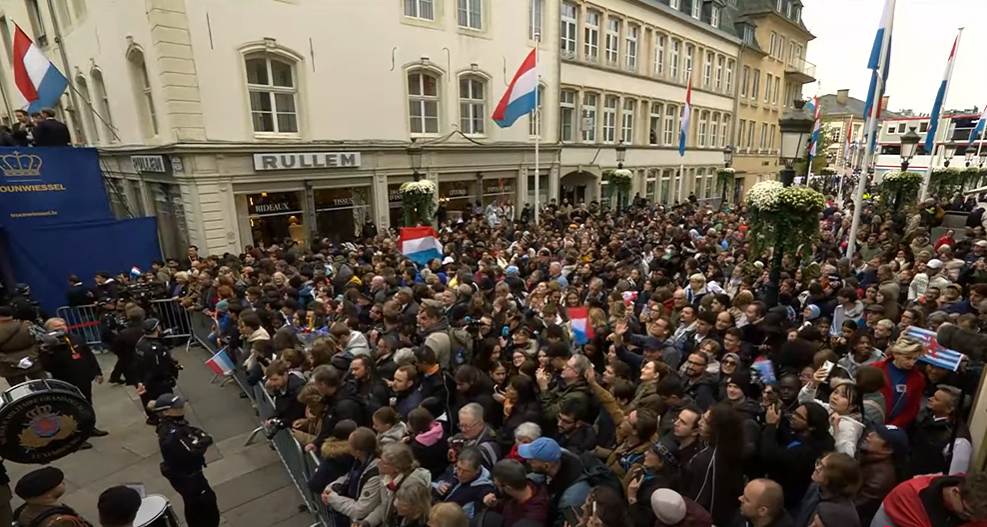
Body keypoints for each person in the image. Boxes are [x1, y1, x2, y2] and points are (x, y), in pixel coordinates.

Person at [149, 394, 220, 527]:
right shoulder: (171, 434)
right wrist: (204, 441)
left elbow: (192, 432)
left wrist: (200, 437)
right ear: (166, 412)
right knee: (204, 508)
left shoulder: (175, 424)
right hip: (188, 478)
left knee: (197, 505)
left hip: (187, 475)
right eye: (177, 407)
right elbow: (191, 452)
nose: (182, 408)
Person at [39, 318, 108, 447]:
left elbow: (89, 356)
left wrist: (97, 371)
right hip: (66, 382)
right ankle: (75, 437)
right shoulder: (48, 346)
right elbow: (47, 366)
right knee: (70, 410)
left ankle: (90, 428)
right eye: (56, 327)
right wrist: (51, 350)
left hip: (84, 379)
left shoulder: (76, 339)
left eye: (63, 325)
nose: (61, 328)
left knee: (87, 404)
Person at [871, 471, 987, 527]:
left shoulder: (978, 512)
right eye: (968, 512)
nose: (974, 520)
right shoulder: (909, 495)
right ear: (955, 493)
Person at [134, 318, 180, 425]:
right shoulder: (154, 348)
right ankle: (167, 419)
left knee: (150, 399)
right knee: (165, 400)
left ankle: (154, 417)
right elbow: (158, 367)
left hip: (145, 377)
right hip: (158, 381)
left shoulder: (141, 342)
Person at [12, 467, 91, 527]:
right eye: (58, 483)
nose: (63, 483)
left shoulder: (22, 512)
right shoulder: (59, 522)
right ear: (48, 495)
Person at [482, 459, 550, 526]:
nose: (496, 487)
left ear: (508, 488)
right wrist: (495, 505)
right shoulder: (516, 494)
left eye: (497, 485)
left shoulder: (534, 516)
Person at [0, 305, 46, 386]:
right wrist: (32, 357)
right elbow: (38, 342)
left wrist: (16, 362)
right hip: (33, 363)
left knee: (20, 390)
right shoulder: (26, 325)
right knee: (45, 386)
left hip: (10, 368)